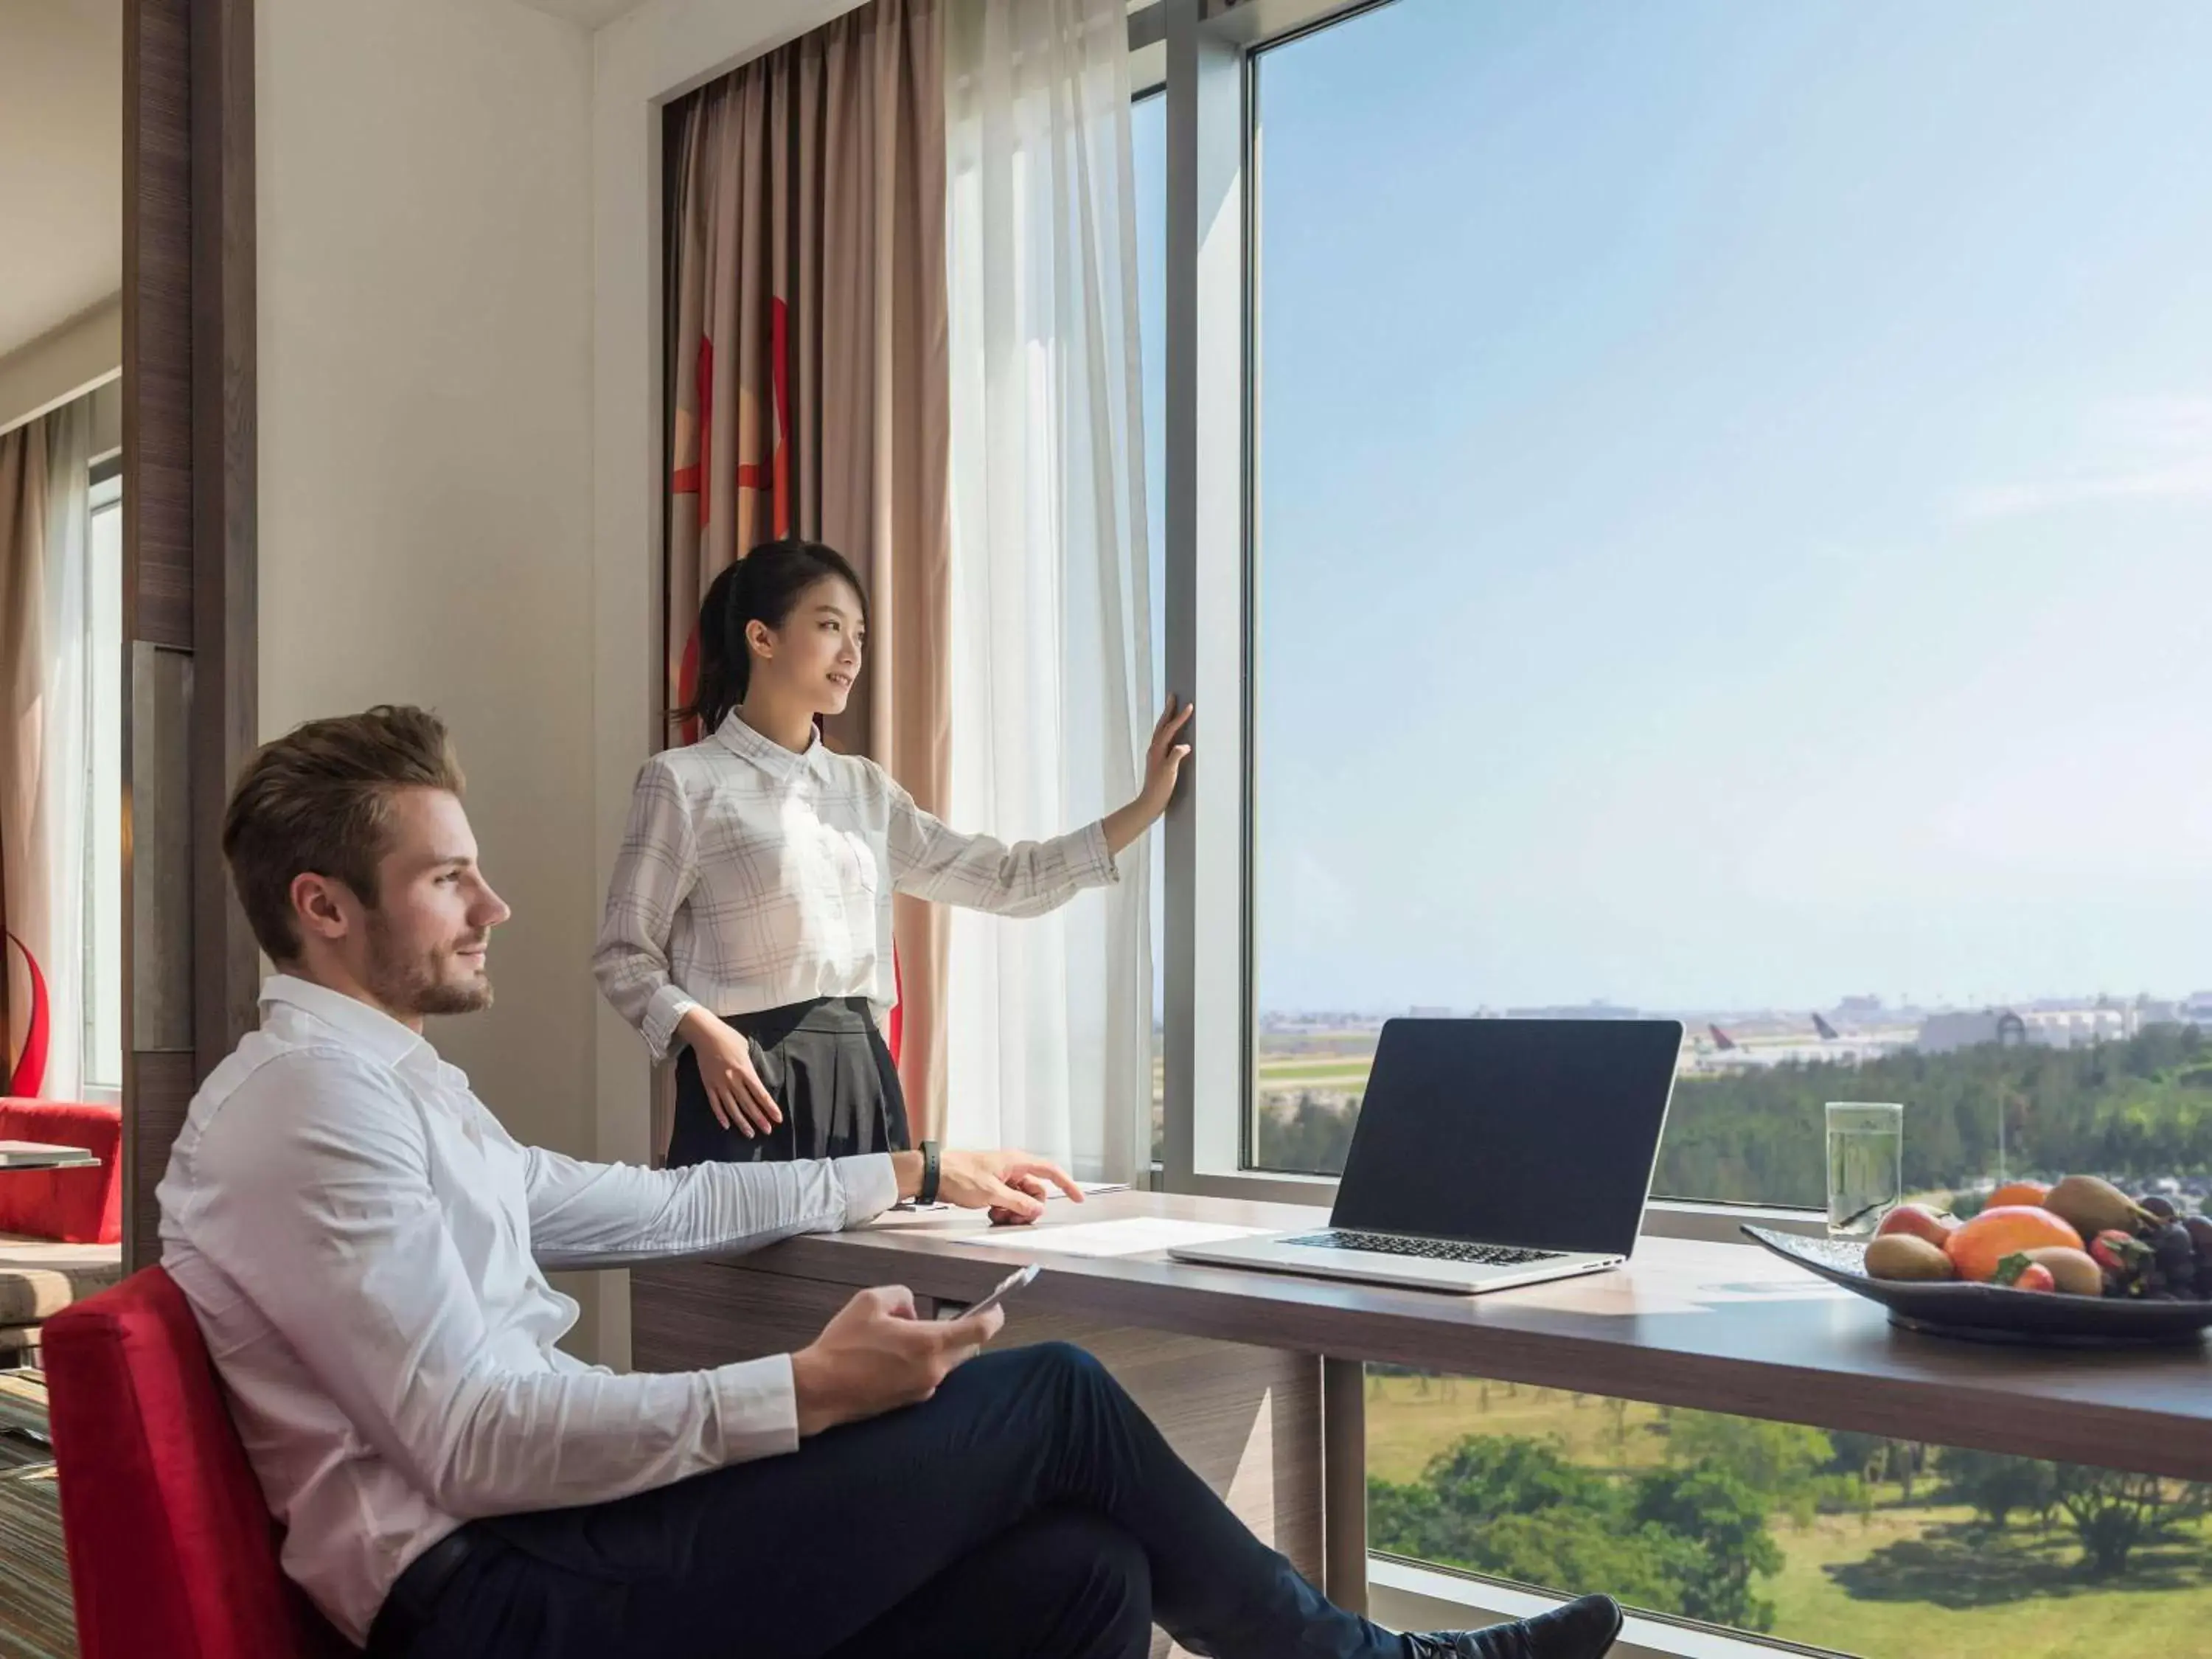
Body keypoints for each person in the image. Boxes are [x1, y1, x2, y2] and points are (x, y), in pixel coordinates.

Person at [159, 705, 1625, 1659]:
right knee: (1053, 1399)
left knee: (1087, 1573)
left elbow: (652, 1205)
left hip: (544, 1551)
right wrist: (810, 1388)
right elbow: (474, 1442)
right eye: (449, 880)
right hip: (496, 1604)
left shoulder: (389, 1088)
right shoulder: (308, 1105)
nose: (498, 906)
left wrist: (910, 1165)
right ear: (325, 907)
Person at [594, 537, 1193, 1166]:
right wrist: (700, 1029)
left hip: (863, 1078)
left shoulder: (866, 790)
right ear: (762, 638)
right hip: (745, 1084)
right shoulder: (684, 781)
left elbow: (1007, 878)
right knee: (737, 1266)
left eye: (859, 633)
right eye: (829, 627)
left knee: (870, 1267)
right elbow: (623, 955)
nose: (852, 652)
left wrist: (1146, 806)